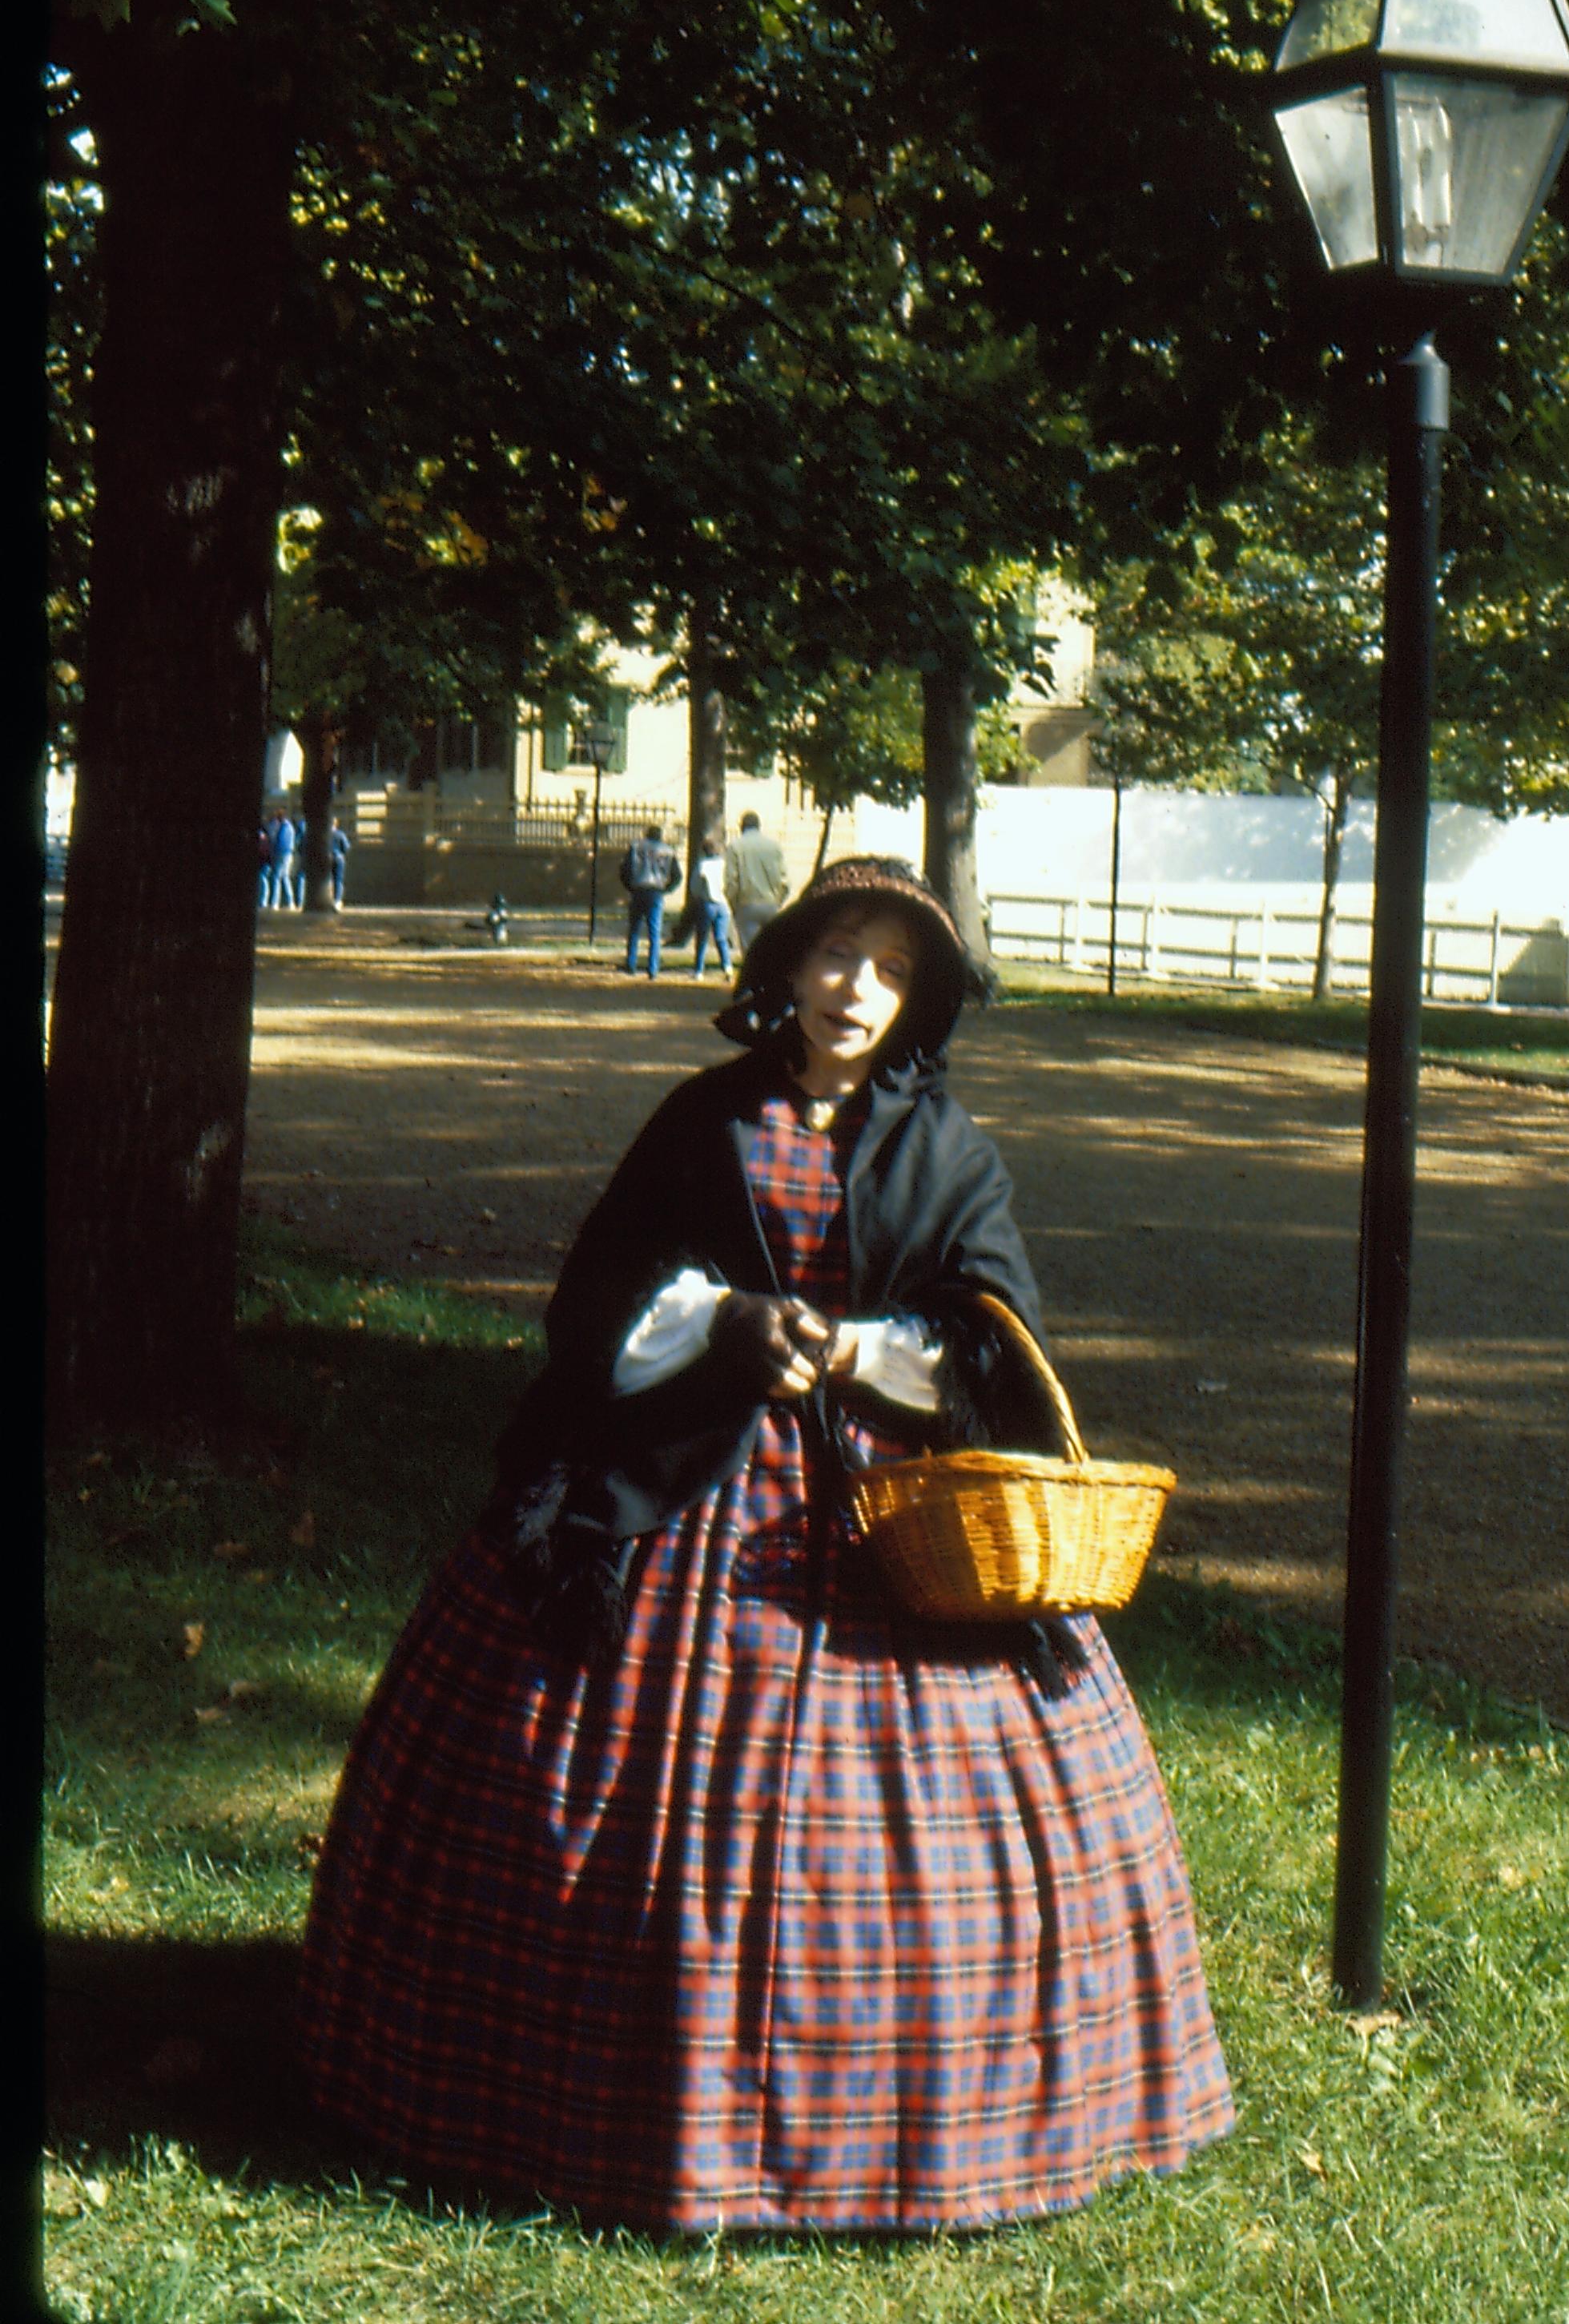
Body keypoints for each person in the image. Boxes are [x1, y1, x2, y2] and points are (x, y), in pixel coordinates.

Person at [298, 855, 1233, 2231]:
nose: (857, 988)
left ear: (922, 1004)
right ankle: (589, 2094)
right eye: (837, 955)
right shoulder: (698, 1122)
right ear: (787, 968)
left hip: (885, 1512)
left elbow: (992, 1340)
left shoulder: (949, 1152)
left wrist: (856, 1350)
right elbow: (598, 1295)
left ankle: (940, 2117)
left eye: (893, 970)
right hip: (682, 1482)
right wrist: (729, 1327)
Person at [620, 825, 681, 977]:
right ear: (660, 836)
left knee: (634, 930)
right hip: (656, 892)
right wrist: (667, 889)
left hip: (638, 889)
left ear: (646, 834)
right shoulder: (668, 851)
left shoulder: (636, 847)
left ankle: (631, 965)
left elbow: (624, 870)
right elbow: (677, 875)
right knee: (654, 932)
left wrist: (629, 886)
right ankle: (653, 969)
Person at [726, 808, 786, 948]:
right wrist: (778, 901)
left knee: (750, 952)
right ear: (759, 826)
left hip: (747, 904)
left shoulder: (735, 847)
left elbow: (732, 881)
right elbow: (785, 881)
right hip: (770, 903)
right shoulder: (774, 846)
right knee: (770, 949)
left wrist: (733, 904)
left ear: (742, 827)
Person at [689, 833, 734, 980]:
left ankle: (699, 970)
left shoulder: (703, 865)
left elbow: (694, 886)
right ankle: (727, 967)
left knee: (702, 938)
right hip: (723, 904)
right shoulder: (725, 865)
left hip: (707, 903)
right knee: (721, 938)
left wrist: (698, 895)